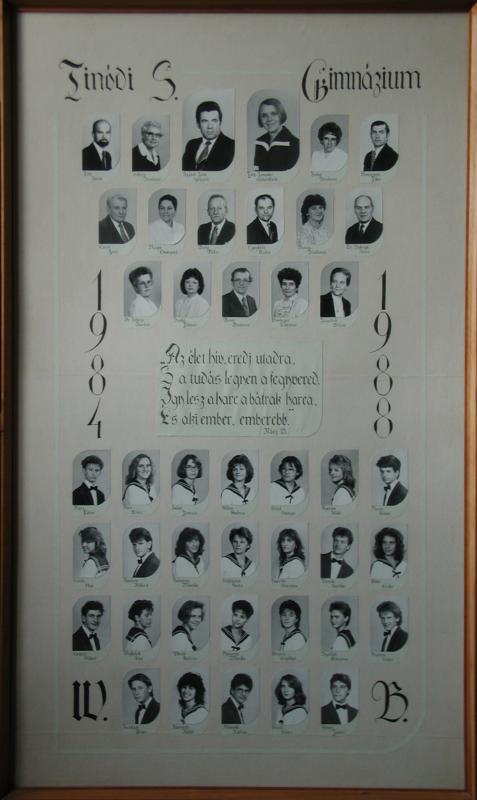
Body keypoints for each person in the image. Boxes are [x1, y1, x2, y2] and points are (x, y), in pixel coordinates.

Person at [182, 100, 235, 171]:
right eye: (205, 121)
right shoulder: (191, 145)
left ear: (220, 122)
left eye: (214, 120)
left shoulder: (232, 146)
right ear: (198, 124)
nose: (210, 126)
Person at [254, 97, 299, 171]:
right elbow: (256, 171)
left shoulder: (294, 143)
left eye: (273, 114)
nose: (269, 119)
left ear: (281, 115)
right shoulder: (259, 142)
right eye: (264, 115)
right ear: (260, 119)